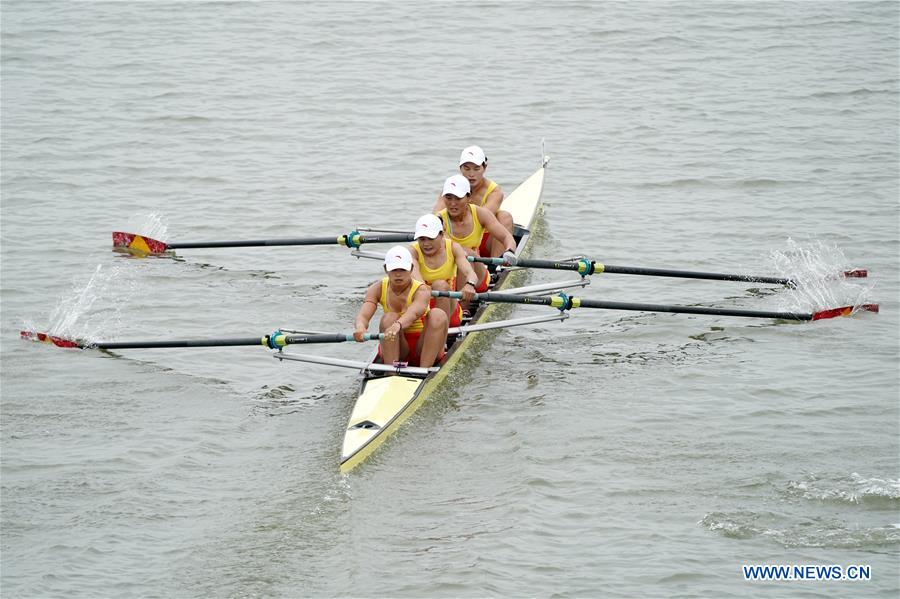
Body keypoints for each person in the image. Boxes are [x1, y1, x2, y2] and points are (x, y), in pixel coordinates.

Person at [353, 246, 448, 368]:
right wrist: (360, 328)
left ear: (411, 269)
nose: (398, 274)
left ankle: (425, 371)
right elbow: (363, 316)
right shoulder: (377, 288)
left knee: (438, 314)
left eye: (403, 269)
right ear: (386, 269)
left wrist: (397, 326)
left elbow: (413, 313)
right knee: (389, 317)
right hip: (397, 347)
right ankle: (390, 372)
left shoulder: (422, 290)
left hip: (424, 347)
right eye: (394, 269)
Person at [435, 174, 518, 293]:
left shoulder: (480, 214)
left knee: (467, 254)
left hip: (477, 274)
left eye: (458, 198)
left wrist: (509, 251)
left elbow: (506, 237)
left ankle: (465, 308)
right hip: (449, 275)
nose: (453, 203)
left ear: (468, 197)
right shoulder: (438, 221)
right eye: (448, 198)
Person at [433, 145, 514, 257]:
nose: (471, 174)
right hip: (457, 239)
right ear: (460, 168)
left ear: (484, 168)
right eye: (466, 169)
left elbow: (479, 220)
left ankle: (495, 268)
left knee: (505, 217)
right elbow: (435, 217)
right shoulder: (451, 189)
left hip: (484, 240)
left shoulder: (495, 192)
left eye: (476, 169)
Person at [408, 213, 479, 327]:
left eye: (430, 238)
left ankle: (441, 334)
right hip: (422, 306)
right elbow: (415, 275)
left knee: (440, 285)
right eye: (422, 239)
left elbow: (470, 273)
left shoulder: (453, 247)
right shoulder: (413, 252)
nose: (426, 244)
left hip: (450, 310)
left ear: (441, 235)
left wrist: (470, 284)